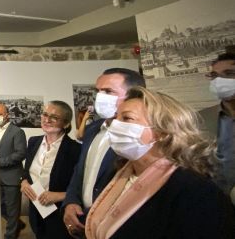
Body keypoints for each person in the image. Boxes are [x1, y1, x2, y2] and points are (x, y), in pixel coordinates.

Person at [84, 87, 234, 238]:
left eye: (127, 118)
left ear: (162, 132)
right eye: (115, 118)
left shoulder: (194, 190)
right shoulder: (119, 174)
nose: (114, 125)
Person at [62, 68, 145, 237]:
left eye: (108, 91)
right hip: (84, 219)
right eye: (98, 91)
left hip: (119, 224)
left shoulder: (137, 135)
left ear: (134, 96)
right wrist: (70, 201)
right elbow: (81, 170)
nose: (100, 97)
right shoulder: (92, 129)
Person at [21, 100, 81, 238]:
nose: (47, 120)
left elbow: (82, 186)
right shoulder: (33, 141)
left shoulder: (75, 149)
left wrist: (59, 195)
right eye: (45, 114)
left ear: (66, 124)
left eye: (54, 117)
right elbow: (26, 170)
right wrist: (23, 181)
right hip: (36, 208)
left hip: (60, 212)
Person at [201, 48, 235, 204]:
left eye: (229, 73)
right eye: (214, 75)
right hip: (214, 202)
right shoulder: (200, 119)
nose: (219, 81)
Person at [0, 102, 27, 239]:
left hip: (11, 178)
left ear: (7, 115)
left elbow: (21, 153)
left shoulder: (17, 132)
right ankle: (17, 223)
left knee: (12, 210)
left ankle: (10, 235)